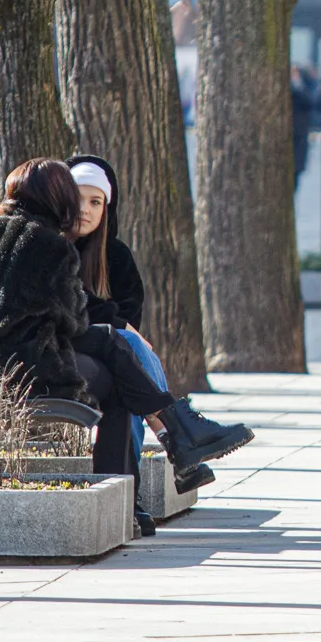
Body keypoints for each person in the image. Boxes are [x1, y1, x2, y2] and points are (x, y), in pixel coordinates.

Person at [0, 159, 247, 487]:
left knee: (109, 338)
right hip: (24, 370)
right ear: (56, 198)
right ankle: (145, 477)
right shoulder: (48, 244)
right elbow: (74, 319)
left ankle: (177, 432)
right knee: (115, 375)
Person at [66, 154, 252, 521]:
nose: (85, 211)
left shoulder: (115, 257)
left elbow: (126, 316)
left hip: (106, 355)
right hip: (64, 349)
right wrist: (115, 323)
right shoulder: (51, 247)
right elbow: (69, 306)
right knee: (132, 355)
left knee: (131, 361)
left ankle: (170, 448)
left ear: (108, 206)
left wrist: (116, 323)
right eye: (77, 200)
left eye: (95, 202)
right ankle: (177, 437)